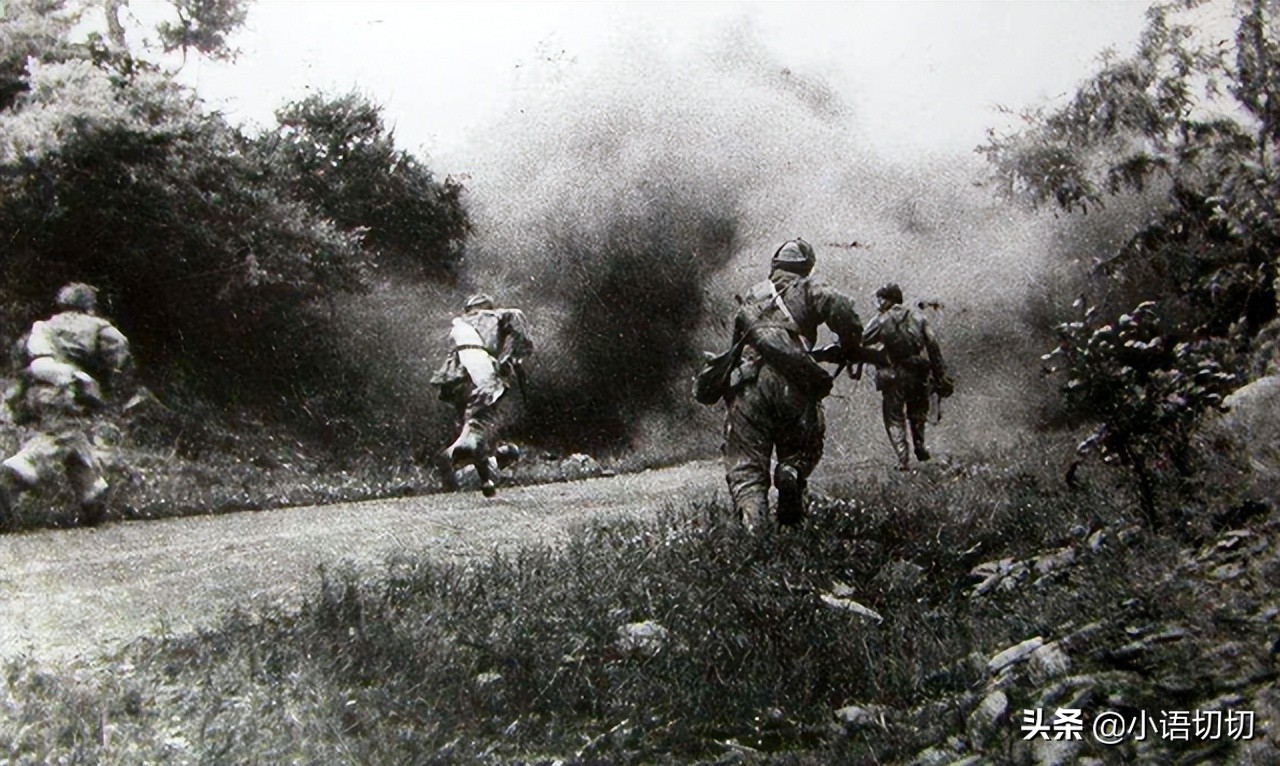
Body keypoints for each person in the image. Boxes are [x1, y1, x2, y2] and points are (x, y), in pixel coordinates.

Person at [721, 238, 864, 529]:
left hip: (749, 384)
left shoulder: (753, 295)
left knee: (746, 467)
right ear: (806, 266)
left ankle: (754, 531)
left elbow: (734, 350)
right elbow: (843, 310)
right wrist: (849, 346)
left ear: (775, 264)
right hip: (792, 382)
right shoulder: (809, 288)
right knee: (802, 448)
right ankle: (791, 471)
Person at [1, 283, 132, 528]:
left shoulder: (45, 325)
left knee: (72, 437)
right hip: (68, 388)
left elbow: (22, 352)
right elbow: (119, 348)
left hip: (37, 389)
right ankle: (17, 470)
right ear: (90, 306)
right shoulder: (97, 325)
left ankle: (92, 493)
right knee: (60, 435)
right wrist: (113, 375)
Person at [429, 293, 532, 497]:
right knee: (477, 427)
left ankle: (479, 476)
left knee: (470, 427)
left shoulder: (460, 323)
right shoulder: (497, 315)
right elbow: (521, 332)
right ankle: (484, 475)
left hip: (454, 374)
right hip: (480, 369)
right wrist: (511, 359)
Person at [861, 283, 947, 471]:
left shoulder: (880, 320)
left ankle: (903, 459)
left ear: (887, 300)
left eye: (880, 299)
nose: (877, 303)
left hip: (893, 374)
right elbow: (933, 347)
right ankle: (920, 445)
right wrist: (940, 375)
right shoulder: (919, 318)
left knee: (894, 417)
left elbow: (862, 340)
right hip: (918, 372)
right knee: (918, 412)